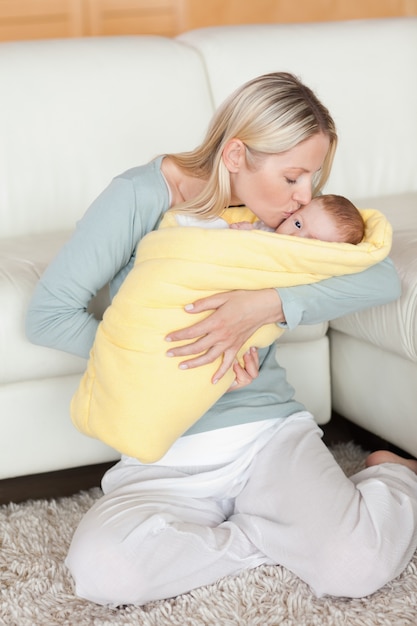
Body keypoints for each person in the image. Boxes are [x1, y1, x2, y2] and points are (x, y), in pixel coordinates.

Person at [25, 71, 417, 606]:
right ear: (235, 156)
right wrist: (164, 365)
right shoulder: (142, 195)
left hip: (266, 434)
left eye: (314, 178)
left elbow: (376, 276)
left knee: (355, 567)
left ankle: (392, 477)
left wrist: (269, 303)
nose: (305, 196)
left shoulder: (286, 219)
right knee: (104, 573)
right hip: (166, 453)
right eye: (294, 177)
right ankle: (279, 534)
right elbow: (49, 314)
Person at [69, 192, 381, 464]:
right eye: (298, 225)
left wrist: (268, 303)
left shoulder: (305, 257)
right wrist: (134, 351)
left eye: (314, 244)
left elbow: (382, 278)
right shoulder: (250, 224)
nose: (296, 240)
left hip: (259, 414)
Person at [230, 193, 364, 244]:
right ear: (293, 213)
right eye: (298, 224)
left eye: (310, 241)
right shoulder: (266, 227)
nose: (294, 236)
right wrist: (246, 233)